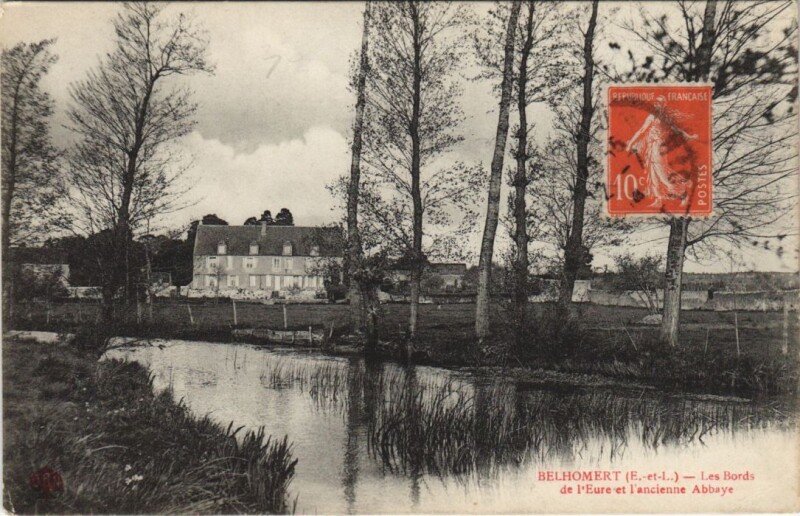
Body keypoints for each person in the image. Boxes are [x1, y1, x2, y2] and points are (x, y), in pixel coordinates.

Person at [625, 96, 698, 207]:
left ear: (663, 105)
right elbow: (641, 131)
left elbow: (676, 129)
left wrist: (690, 136)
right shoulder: (652, 116)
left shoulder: (664, 118)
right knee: (653, 174)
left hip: (658, 147)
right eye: (656, 103)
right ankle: (658, 199)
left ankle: (682, 194)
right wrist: (630, 143)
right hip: (651, 147)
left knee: (662, 174)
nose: (657, 105)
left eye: (659, 103)